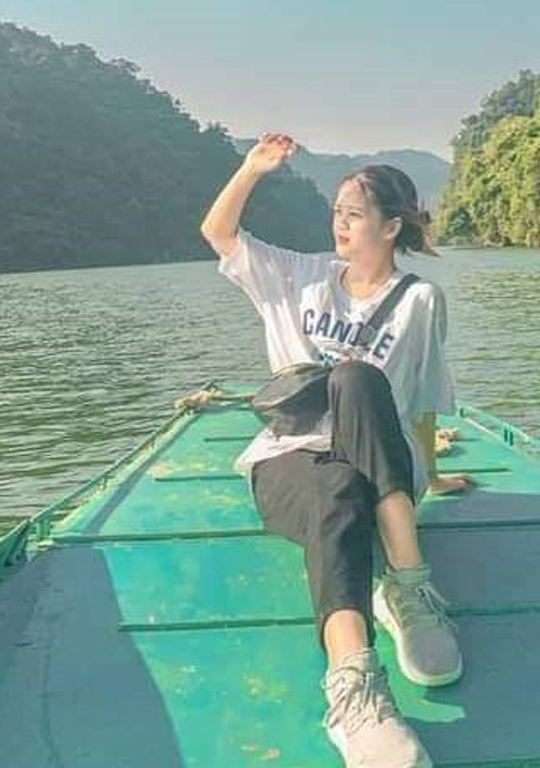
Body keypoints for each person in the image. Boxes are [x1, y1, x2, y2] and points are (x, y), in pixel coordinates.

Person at [200, 133, 473, 768]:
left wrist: (430, 473)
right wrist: (252, 169)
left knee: (356, 379)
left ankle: (407, 589)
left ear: (391, 226)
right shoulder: (300, 277)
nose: (340, 224)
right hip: (292, 461)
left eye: (354, 213)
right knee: (336, 486)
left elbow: (422, 401)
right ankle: (355, 687)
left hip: (382, 462)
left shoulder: (419, 300)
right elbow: (218, 232)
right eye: (337, 212)